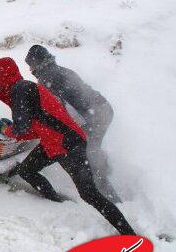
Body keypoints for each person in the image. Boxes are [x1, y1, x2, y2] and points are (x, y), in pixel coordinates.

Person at [0, 57, 135, 235]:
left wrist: (7, 129)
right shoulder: (23, 88)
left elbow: (22, 127)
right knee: (27, 170)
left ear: (3, 76)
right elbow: (35, 128)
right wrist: (12, 129)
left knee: (89, 194)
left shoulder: (20, 90)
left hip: (67, 144)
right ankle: (55, 203)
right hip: (54, 142)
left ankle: (129, 234)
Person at [25, 45, 119, 201]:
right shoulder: (61, 70)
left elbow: (57, 110)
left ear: (36, 62)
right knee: (92, 149)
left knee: (88, 155)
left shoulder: (46, 78)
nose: (30, 70)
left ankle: (112, 198)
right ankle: (106, 171)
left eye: (31, 65)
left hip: (94, 117)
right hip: (104, 110)